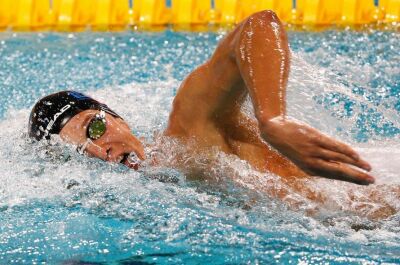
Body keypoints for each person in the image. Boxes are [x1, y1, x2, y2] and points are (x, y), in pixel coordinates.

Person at [29, 10, 375, 187]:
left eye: (94, 129)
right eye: (78, 152)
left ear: (116, 117)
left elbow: (258, 25)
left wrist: (274, 120)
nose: (100, 150)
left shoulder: (190, 130)